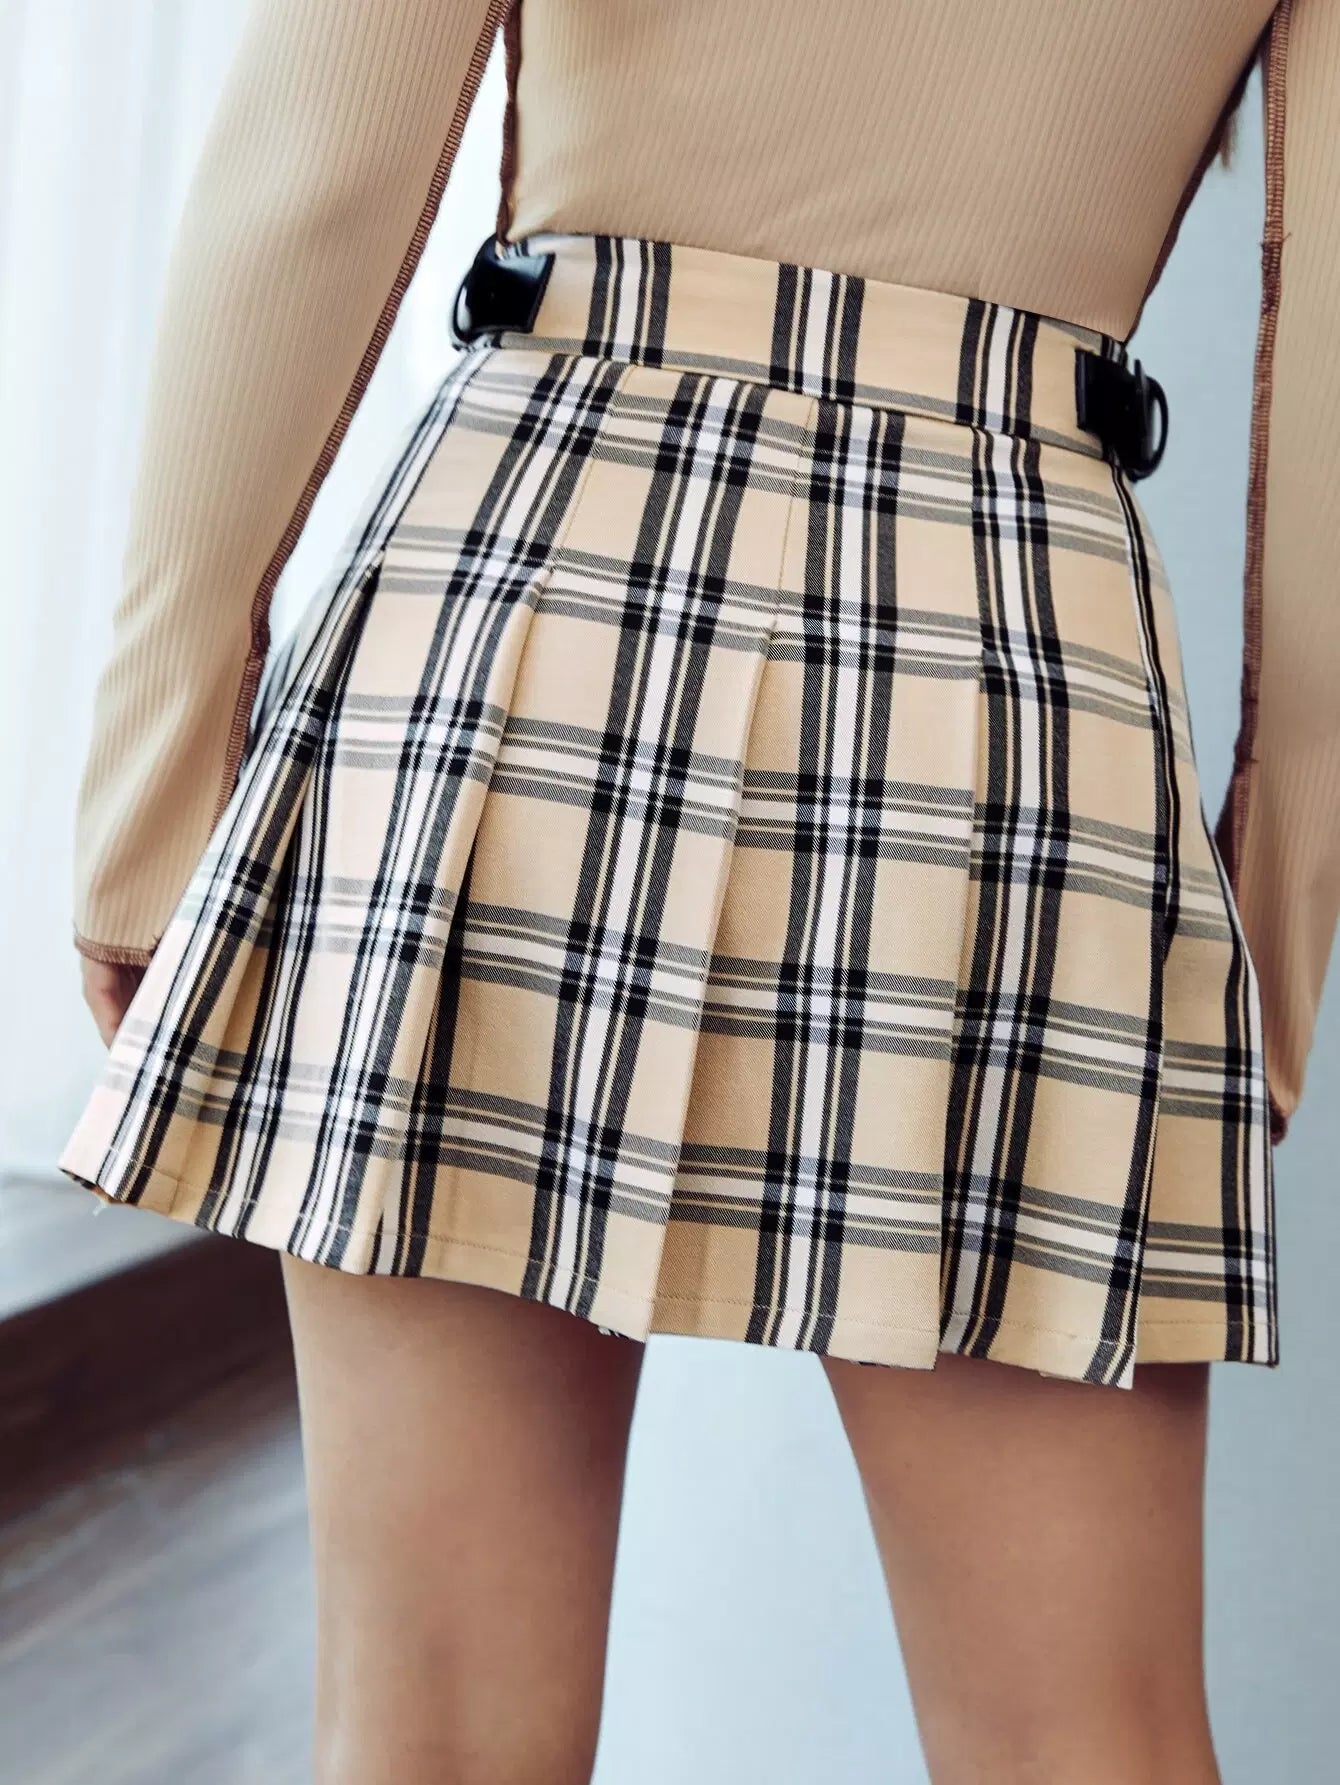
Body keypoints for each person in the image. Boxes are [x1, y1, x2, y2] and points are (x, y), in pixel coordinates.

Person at [57, 3, 1338, 1781]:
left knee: (435, 1736)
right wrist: (1263, 953)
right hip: (1004, 657)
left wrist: (152, 801)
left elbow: (311, 177)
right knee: (1081, 1740)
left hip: (528, 598)